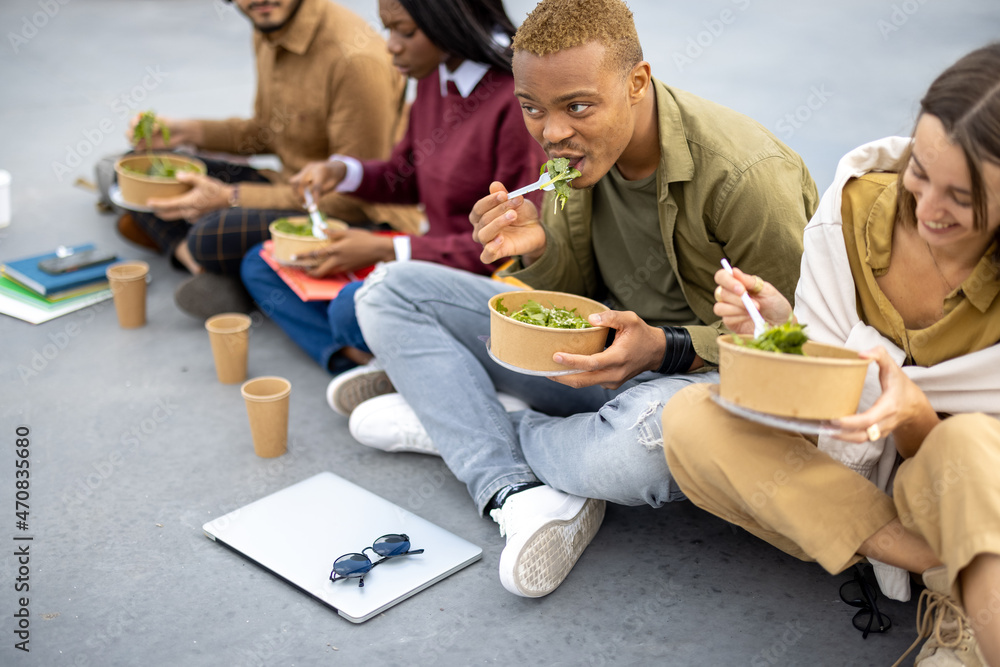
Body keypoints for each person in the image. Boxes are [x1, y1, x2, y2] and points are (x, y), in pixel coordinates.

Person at [346, 0, 818, 598]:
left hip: (692, 385)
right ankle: (507, 476)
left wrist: (664, 350)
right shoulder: (571, 161)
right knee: (390, 290)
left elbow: (794, 345)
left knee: (636, 450)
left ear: (637, 82)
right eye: (532, 109)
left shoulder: (747, 176)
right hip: (598, 365)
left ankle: (464, 422)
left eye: (578, 106)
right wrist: (536, 250)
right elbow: (568, 300)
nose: (552, 132)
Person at [662, 44, 1000, 665]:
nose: (926, 209)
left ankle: (976, 621)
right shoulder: (849, 216)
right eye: (920, 172)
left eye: (964, 196)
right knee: (688, 420)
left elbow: (960, 456)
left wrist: (916, 415)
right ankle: (945, 567)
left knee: (969, 445)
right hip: (857, 482)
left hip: (965, 481)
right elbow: (822, 384)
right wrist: (774, 331)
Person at [239, 0, 546, 388]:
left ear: (449, 24)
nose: (390, 45)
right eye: (389, 29)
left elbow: (508, 247)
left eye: (405, 31)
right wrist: (342, 171)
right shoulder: (434, 74)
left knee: (352, 306)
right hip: (420, 255)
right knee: (262, 263)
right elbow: (406, 178)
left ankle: (402, 364)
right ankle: (364, 362)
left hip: (477, 276)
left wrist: (384, 249)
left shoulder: (515, 101)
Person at [116, 0, 418, 318]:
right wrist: (187, 132)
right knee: (132, 170)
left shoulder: (354, 58)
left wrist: (230, 198)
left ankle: (209, 257)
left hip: (353, 215)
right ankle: (204, 269)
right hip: (289, 185)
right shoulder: (268, 22)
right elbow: (266, 132)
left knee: (210, 236)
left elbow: (354, 195)